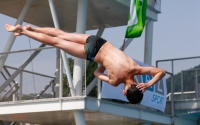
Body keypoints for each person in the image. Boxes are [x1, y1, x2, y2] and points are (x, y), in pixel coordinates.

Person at [5, 24, 166, 104]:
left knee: (62, 34)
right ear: (124, 93)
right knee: (57, 42)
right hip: (92, 53)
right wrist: (105, 64)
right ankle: (23, 32)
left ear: (139, 85)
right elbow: (97, 73)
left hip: (99, 41)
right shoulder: (115, 81)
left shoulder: (135, 68)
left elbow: (161, 72)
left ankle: (31, 28)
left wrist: (149, 83)